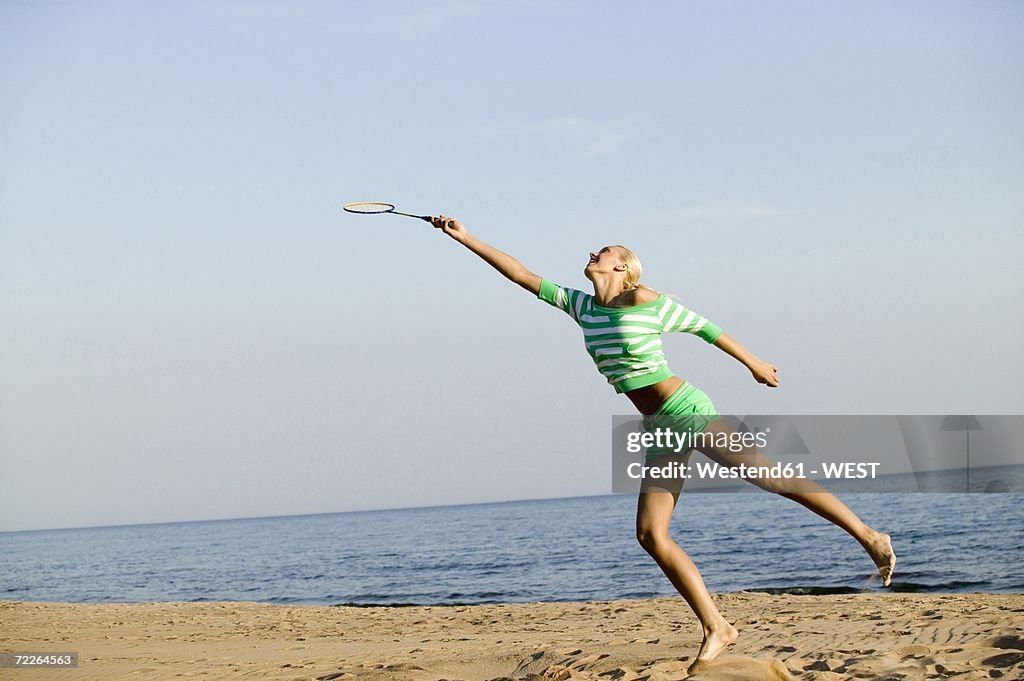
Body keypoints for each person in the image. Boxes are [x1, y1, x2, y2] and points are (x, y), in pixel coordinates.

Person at [429, 214, 896, 671]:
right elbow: (521, 274)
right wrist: (465, 237)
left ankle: (869, 535)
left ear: (623, 267)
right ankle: (717, 627)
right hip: (658, 426)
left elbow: (705, 328)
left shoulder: (643, 299)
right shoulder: (581, 306)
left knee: (771, 479)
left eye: (605, 250)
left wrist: (754, 363)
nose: (595, 253)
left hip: (686, 410)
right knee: (651, 535)